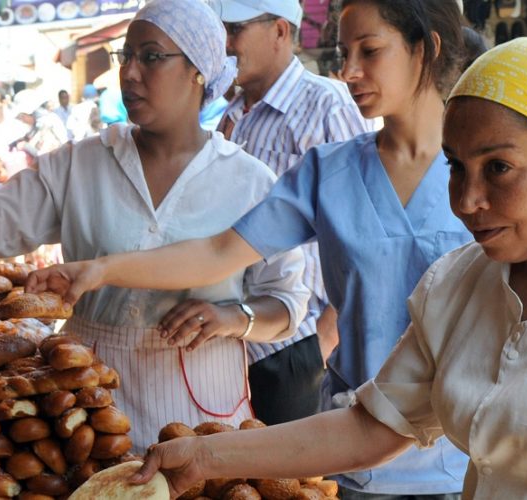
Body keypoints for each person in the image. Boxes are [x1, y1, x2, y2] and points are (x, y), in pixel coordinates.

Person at [43, 35, 527, 499]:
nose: (467, 201)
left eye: (498, 167)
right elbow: (374, 426)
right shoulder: (456, 286)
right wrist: (206, 459)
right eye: (455, 168)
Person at [28, 0, 473, 497]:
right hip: (358, 454)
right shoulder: (330, 172)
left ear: (425, 50)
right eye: (344, 53)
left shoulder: (484, 170)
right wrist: (101, 270)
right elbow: (221, 252)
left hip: (470, 453)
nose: (348, 72)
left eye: (370, 51)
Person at [0, 0, 309, 453]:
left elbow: (287, 302)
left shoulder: (249, 181)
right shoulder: (82, 164)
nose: (129, 73)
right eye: (126, 56)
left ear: (198, 71)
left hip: (201, 407)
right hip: (86, 399)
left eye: (151, 57)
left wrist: (236, 319)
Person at [214, 0, 376, 428]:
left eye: (235, 31)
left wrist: (321, 344)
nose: (225, 45)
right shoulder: (230, 117)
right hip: (237, 341)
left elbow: (366, 235)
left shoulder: (328, 106)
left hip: (298, 348)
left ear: (281, 31)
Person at [11, 89, 70, 168]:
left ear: (30, 113)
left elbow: (43, 155)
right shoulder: (36, 125)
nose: (21, 120)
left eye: (22, 116)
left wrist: (25, 146)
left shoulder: (47, 124)